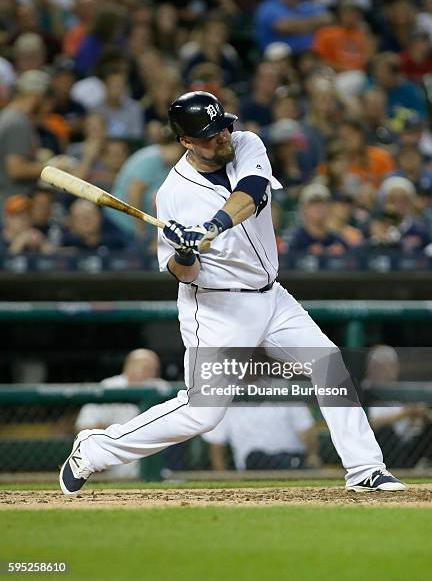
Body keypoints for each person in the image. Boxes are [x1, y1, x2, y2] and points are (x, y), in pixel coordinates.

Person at [59, 90, 406, 495]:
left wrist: (209, 228)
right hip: (218, 307)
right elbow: (181, 274)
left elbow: (254, 191)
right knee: (201, 413)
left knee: (328, 364)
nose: (222, 136)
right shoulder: (173, 195)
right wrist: (185, 252)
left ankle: (364, 468)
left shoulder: (245, 143)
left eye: (223, 126)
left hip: (271, 295)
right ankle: (97, 448)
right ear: (186, 142)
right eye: (209, 134)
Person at [76, 349, 169, 479]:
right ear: (128, 366)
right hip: (115, 464)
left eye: (152, 368)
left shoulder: (161, 388)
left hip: (157, 461)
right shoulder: (109, 387)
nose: (148, 372)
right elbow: (84, 425)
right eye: (143, 366)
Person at [363, 345, 432, 468]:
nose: (388, 370)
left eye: (391, 365)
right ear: (372, 367)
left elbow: (430, 422)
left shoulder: (399, 389)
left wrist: (423, 414)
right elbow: (373, 423)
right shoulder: (365, 389)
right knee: (386, 431)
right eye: (383, 366)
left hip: (405, 446)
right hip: (381, 449)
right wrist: (406, 413)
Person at [202, 403, 321, 470]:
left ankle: (295, 464)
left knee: (291, 461)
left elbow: (307, 431)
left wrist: (312, 456)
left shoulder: (284, 389)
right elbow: (216, 443)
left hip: (291, 456)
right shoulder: (228, 398)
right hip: (253, 467)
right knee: (255, 457)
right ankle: (296, 465)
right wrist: (223, 476)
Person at [0, 70, 51, 209]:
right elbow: (16, 169)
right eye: (44, 97)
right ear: (35, 96)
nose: (48, 103)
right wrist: (51, 168)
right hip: (11, 204)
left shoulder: (11, 116)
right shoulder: (16, 121)